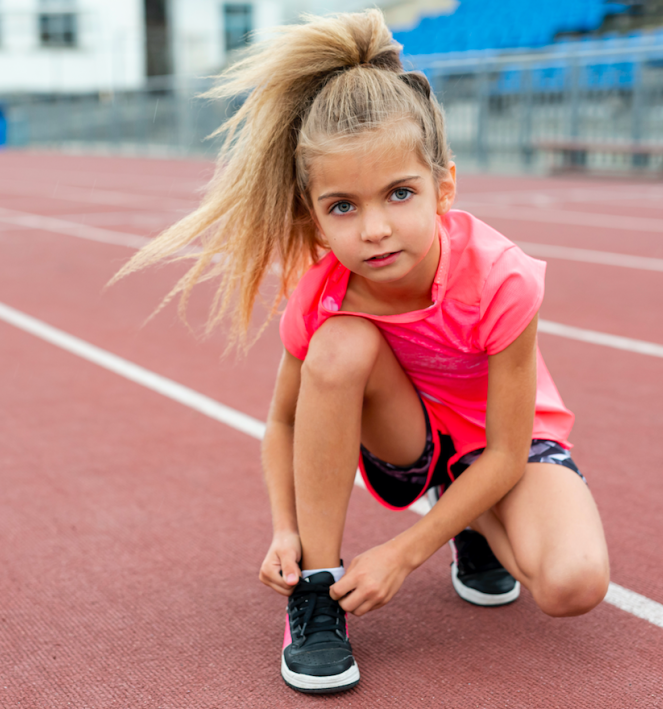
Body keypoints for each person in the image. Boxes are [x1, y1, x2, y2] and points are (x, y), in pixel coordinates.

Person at [111, 9, 610, 695]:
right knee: (341, 342)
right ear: (314, 214)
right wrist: (284, 532)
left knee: (571, 582)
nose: (375, 229)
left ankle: (470, 527)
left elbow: (503, 450)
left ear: (445, 187)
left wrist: (405, 554)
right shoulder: (324, 294)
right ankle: (315, 595)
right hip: (403, 439)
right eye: (342, 206)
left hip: (498, 447)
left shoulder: (503, 278)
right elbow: (283, 421)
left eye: (400, 194)